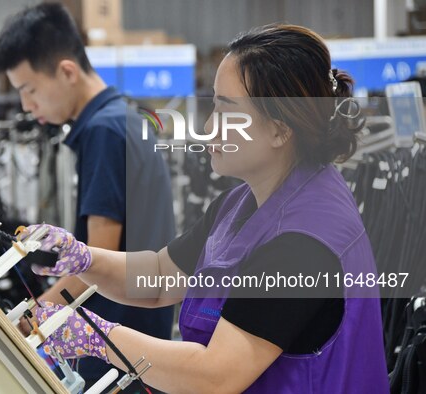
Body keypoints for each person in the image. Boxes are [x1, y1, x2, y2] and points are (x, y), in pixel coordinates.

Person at [24, 24, 389, 393]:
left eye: (225, 110)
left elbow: (216, 376)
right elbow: (160, 276)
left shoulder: (302, 242)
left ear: (280, 130)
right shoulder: (243, 202)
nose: (208, 126)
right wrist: (86, 259)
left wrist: (99, 338)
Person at [0, 4, 176, 391]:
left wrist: (25, 319)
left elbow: (92, 265)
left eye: (29, 89)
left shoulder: (104, 132)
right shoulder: (124, 118)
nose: (26, 105)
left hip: (112, 346)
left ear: (67, 71)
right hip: (137, 341)